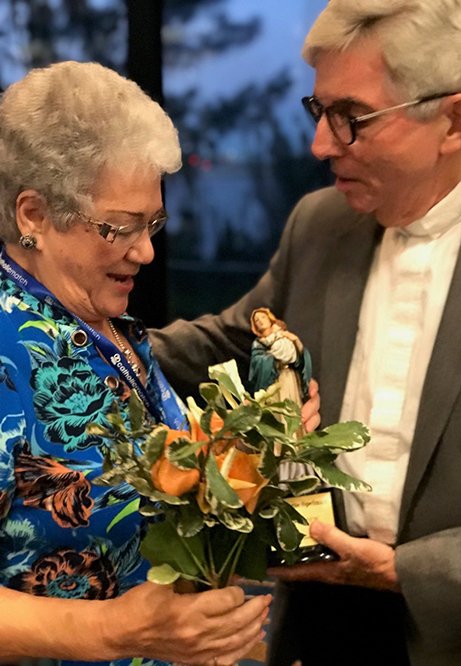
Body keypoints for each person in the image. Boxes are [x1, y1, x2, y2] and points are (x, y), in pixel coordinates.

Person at [149, 0, 461, 664]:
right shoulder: (319, 223)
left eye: (352, 119)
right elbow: (227, 345)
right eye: (320, 113)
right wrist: (74, 341)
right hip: (316, 620)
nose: (319, 146)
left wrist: (407, 571)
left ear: (453, 121)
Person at [0, 61, 272, 666]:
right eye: (118, 228)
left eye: (153, 224)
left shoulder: (110, 327)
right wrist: (110, 632)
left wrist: (257, 441)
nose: (146, 251)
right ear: (33, 216)